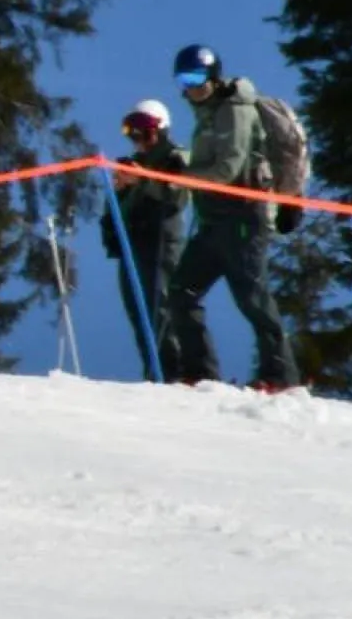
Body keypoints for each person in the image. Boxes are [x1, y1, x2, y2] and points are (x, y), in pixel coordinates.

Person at [160, 44, 299, 392]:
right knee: (181, 291)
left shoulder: (234, 110)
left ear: (213, 76)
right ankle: (199, 372)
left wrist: (185, 176)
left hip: (242, 218)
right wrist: (183, 164)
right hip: (213, 220)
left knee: (252, 297)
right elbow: (213, 161)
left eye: (196, 78)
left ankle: (281, 375)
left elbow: (227, 168)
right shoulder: (208, 113)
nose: (191, 88)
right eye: (184, 80)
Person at [100, 99, 188, 382]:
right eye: (131, 132)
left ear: (160, 129)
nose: (138, 139)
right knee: (138, 310)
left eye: (144, 131)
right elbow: (115, 209)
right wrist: (120, 190)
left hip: (161, 242)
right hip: (133, 245)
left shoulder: (174, 158)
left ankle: (175, 372)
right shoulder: (133, 164)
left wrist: (142, 182)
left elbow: (175, 197)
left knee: (160, 309)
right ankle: (154, 372)